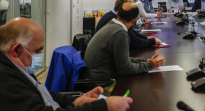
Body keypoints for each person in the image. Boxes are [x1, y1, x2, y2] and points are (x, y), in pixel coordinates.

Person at [0, 17, 132, 110]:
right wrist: (104, 106)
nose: (40, 54)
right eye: (37, 50)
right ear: (16, 50)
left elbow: (43, 94)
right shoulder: (6, 81)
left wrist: (75, 101)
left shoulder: (17, 69)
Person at [84, 2, 165, 96]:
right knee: (141, 92)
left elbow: (123, 59)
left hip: (96, 81)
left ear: (117, 13)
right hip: (102, 86)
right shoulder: (120, 33)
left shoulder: (111, 25)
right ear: (134, 20)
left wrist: (145, 60)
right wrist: (150, 65)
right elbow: (125, 69)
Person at [95, 0, 162, 48]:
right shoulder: (116, 20)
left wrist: (145, 38)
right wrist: (152, 42)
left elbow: (131, 31)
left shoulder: (111, 15)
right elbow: (134, 42)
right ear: (123, 8)